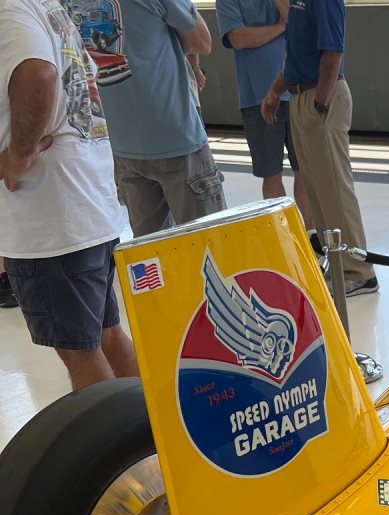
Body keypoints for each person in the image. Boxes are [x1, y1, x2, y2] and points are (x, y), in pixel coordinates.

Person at [0, 0, 137, 389]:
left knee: (81, 351)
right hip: (84, 205)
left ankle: (117, 450)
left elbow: (39, 73)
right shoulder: (43, 7)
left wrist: (19, 154)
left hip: (52, 220)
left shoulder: (7, 11)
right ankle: (153, 440)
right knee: (106, 335)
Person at [261, 0, 378, 296]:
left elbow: (333, 50)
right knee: (317, 189)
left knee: (335, 189)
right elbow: (297, 55)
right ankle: (337, 264)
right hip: (300, 96)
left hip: (321, 96)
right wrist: (276, 90)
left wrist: (322, 103)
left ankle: (359, 272)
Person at [82, 0, 227, 237]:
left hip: (122, 139)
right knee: (211, 246)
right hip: (174, 134)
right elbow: (201, 42)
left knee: (153, 255)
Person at [215, 0, 314, 226]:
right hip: (256, 97)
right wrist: (279, 28)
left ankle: (312, 237)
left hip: (297, 91)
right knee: (271, 173)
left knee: (305, 172)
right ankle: (283, 238)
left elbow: (297, 23)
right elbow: (239, 39)